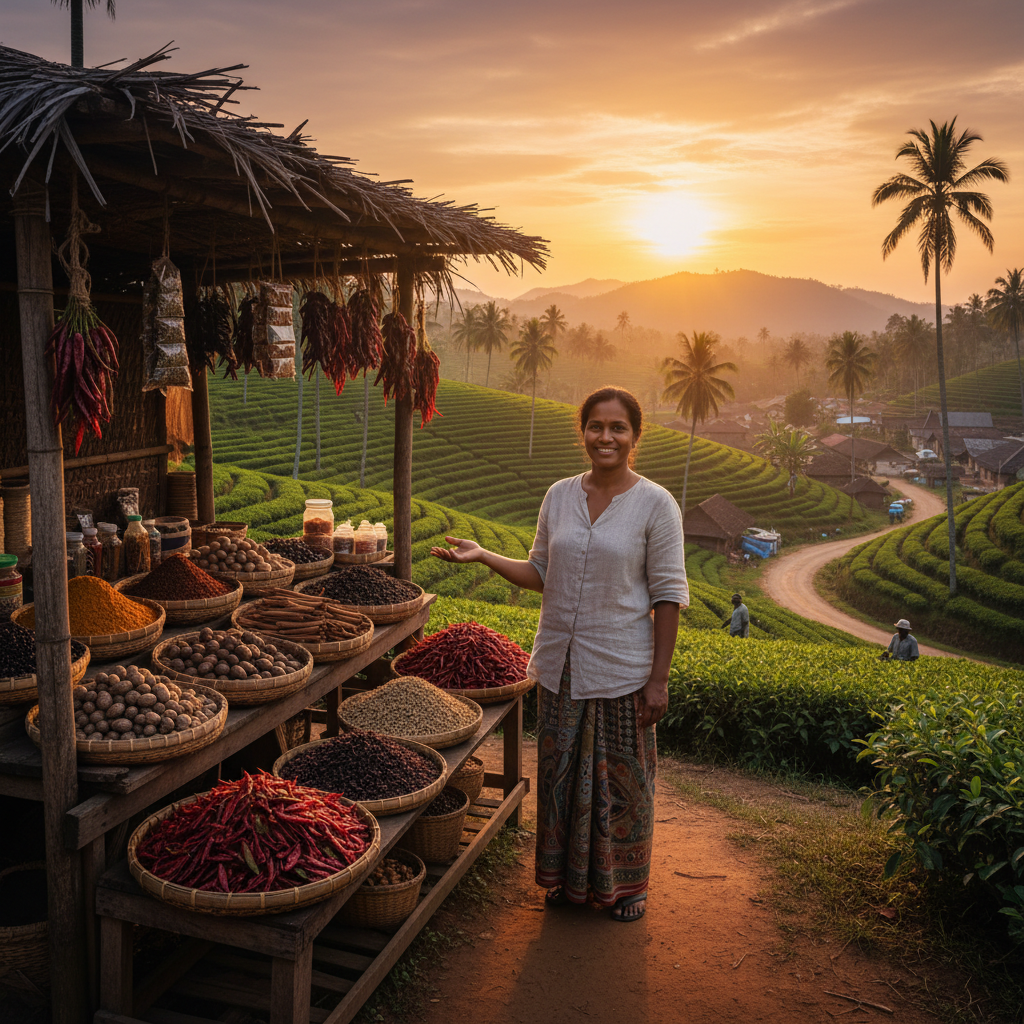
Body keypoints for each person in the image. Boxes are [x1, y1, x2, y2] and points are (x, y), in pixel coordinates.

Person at [430, 387, 688, 922]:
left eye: (617, 427)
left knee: (624, 781)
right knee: (560, 776)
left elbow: (668, 596)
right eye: (596, 426)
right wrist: (483, 556)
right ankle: (566, 881)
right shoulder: (559, 495)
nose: (606, 437)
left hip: (622, 668)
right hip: (560, 667)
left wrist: (658, 680)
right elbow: (541, 572)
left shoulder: (656, 504)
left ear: (634, 437)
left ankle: (628, 885)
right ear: (583, 432)